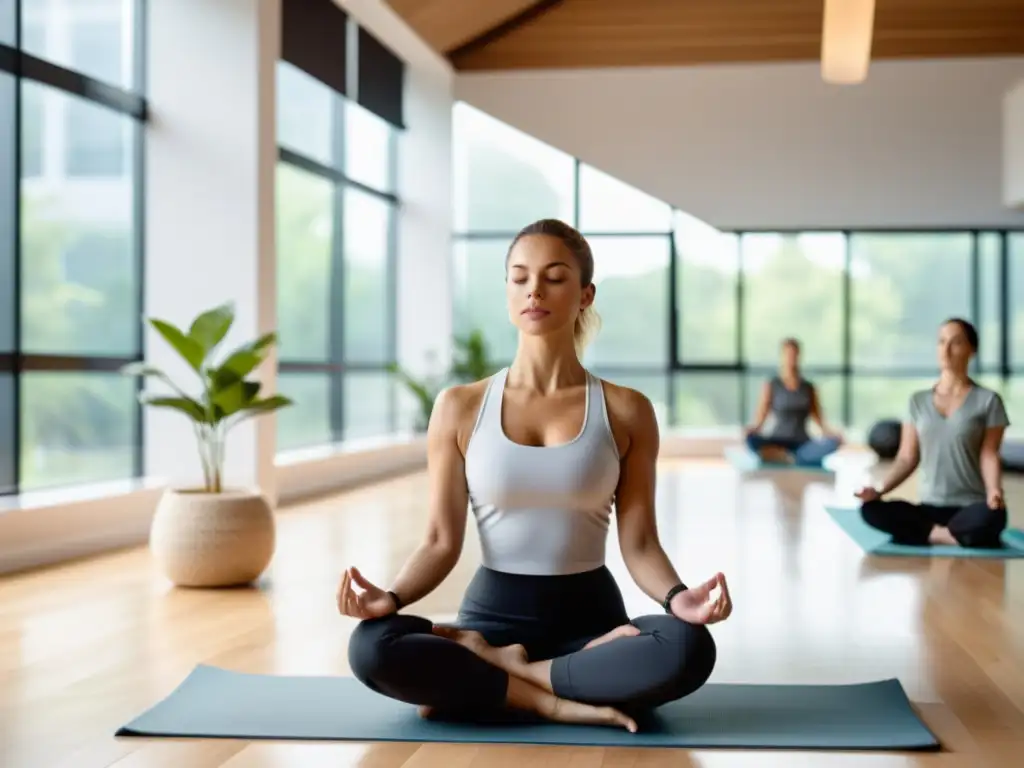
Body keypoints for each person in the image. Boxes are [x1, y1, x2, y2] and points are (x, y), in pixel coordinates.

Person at [337, 218, 731, 733]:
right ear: (507, 291)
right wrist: (388, 600)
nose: (534, 290)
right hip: (491, 620)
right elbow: (439, 540)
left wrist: (682, 599)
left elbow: (639, 543)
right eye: (519, 277)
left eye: (554, 276)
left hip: (592, 628)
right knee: (370, 648)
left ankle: (500, 678)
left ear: (585, 294)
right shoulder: (460, 407)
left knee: (688, 647)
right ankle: (547, 697)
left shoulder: (627, 410)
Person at [855, 318, 1010, 549]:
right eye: (941, 342)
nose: (946, 350)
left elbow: (989, 454)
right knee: (870, 510)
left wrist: (994, 491)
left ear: (972, 349)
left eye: (956, 342)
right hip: (928, 507)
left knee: (994, 517)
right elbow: (907, 457)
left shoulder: (988, 401)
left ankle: (929, 534)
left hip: (971, 507)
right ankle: (949, 536)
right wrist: (879, 490)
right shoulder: (917, 401)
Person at [743, 337, 843, 466]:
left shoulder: (808, 387)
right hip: (777, 442)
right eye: (788, 355)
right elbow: (761, 417)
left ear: (799, 356)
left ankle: (790, 458)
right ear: (782, 357)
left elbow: (818, 419)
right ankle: (787, 457)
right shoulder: (772, 385)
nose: (791, 358)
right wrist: (753, 429)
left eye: (794, 355)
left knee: (832, 443)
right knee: (751, 440)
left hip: (802, 443)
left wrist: (832, 434)